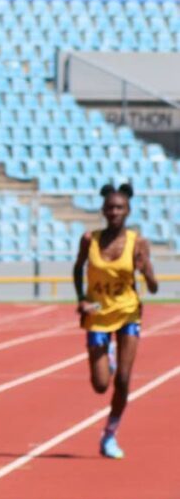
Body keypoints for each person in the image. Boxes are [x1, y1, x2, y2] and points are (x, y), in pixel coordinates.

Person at [73, 182, 158, 459]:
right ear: (103, 210)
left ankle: (109, 434)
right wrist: (82, 299)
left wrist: (146, 272)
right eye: (110, 207)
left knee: (123, 380)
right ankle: (107, 356)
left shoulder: (138, 242)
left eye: (119, 207)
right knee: (100, 385)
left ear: (128, 210)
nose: (114, 212)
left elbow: (154, 287)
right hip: (97, 315)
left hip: (128, 313)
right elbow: (77, 268)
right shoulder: (90, 239)